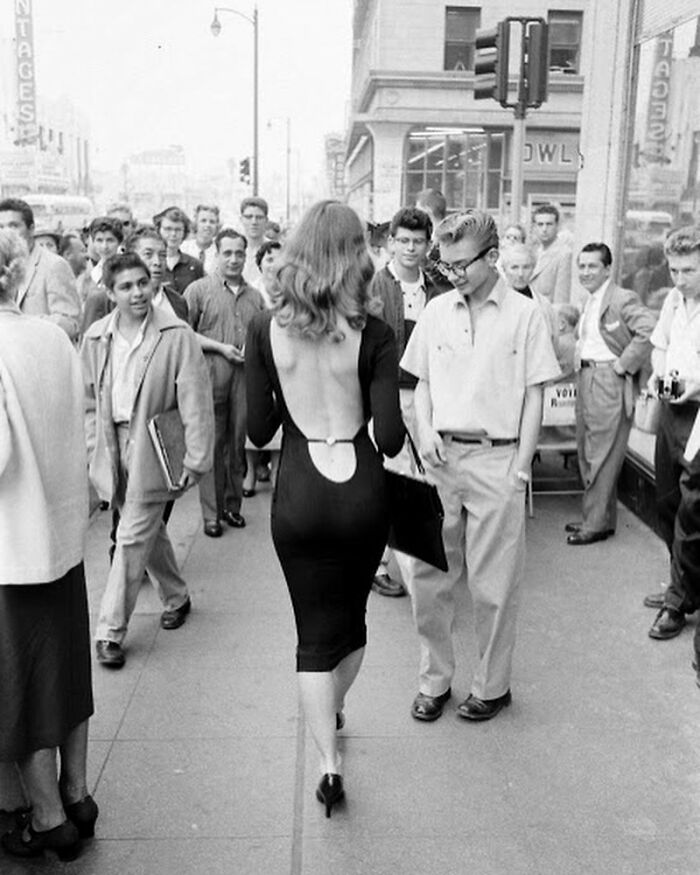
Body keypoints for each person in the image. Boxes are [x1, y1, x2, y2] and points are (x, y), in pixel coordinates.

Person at [246, 201, 404, 816]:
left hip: (300, 491)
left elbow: (259, 429)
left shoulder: (265, 327)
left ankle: (328, 763)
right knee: (353, 622)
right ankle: (335, 705)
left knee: (312, 635)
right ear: (357, 257)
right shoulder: (377, 331)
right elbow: (388, 438)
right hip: (360, 488)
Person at [401, 209, 560, 723]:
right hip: (440, 460)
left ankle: (492, 686)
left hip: (498, 460)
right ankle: (435, 680)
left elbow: (536, 395)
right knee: (428, 579)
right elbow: (420, 383)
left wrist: (520, 468)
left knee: (493, 586)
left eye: (461, 265)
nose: (452, 275)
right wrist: (423, 434)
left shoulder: (525, 314)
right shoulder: (436, 311)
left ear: (492, 257)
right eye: (444, 266)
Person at [0, 228, 96, 861]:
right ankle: (78, 793)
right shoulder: (51, 337)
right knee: (67, 673)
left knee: (22, 686)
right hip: (62, 536)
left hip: (12, 548)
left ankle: (46, 814)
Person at [80, 253, 214, 669]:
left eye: (142, 283)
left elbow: (195, 398)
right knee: (146, 529)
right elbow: (86, 399)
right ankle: (176, 595)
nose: (138, 292)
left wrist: (197, 457)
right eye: (126, 286)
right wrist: (91, 446)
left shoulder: (176, 334)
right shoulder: (96, 337)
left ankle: (109, 630)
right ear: (110, 292)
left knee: (132, 533)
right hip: (110, 441)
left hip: (152, 445)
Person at [370, 205, 441, 597]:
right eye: (403, 241)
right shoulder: (374, 287)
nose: (410, 248)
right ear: (391, 242)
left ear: (428, 245)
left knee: (426, 474)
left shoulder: (436, 288)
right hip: (387, 395)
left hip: (428, 394)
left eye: (418, 242)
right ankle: (381, 564)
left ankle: (419, 564)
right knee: (391, 477)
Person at [567, 243, 654, 546]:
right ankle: (599, 518)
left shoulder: (621, 297)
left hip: (607, 378)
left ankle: (594, 524)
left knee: (601, 454)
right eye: (582, 266)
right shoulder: (591, 299)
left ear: (607, 269)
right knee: (589, 450)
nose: (586, 272)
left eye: (593, 266)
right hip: (587, 376)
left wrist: (623, 364)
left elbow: (648, 330)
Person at [185, 229, 265, 536]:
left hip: (244, 379)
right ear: (216, 254)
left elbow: (262, 334)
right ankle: (211, 514)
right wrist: (219, 347)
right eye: (227, 253)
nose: (233, 259)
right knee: (213, 445)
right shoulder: (198, 290)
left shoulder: (255, 297)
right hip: (210, 375)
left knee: (236, 443)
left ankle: (232, 507)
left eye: (239, 253)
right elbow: (184, 333)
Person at [644, 227, 700, 646]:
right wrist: (662, 372)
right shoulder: (673, 300)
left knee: (692, 508)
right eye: (675, 269)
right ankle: (681, 582)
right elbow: (659, 344)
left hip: (698, 414)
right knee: (666, 498)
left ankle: (678, 602)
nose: (680, 278)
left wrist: (692, 385)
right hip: (670, 410)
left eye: (690, 270)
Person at [0, 198, 80, 341]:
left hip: (41, 355)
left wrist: (23, 324)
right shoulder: (3, 265)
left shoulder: (54, 265)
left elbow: (71, 324)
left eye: (13, 226)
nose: (7, 233)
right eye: (1, 227)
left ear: (31, 229)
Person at [243, 239, 283, 495]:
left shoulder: (292, 289)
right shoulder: (253, 292)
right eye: (269, 259)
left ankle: (278, 470)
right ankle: (251, 471)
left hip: (281, 360)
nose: (274, 264)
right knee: (255, 412)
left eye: (279, 258)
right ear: (259, 264)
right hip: (256, 359)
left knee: (280, 414)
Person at [500, 241, 560, 355]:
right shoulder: (495, 303)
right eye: (514, 267)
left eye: (526, 267)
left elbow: (553, 345)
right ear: (504, 269)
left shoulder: (544, 305)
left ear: (533, 268)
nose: (520, 274)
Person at [529, 204, 573, 305]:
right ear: (534, 227)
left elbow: (561, 298)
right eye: (540, 224)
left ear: (557, 226)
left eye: (549, 224)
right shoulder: (533, 251)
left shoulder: (564, 254)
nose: (544, 229)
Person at [154, 206, 205, 295]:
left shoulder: (195, 265)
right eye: (168, 229)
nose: (173, 234)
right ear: (159, 230)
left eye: (178, 230)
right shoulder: (151, 262)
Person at [181, 204, 220, 274]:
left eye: (212, 222)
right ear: (196, 223)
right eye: (203, 221)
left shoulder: (220, 250)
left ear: (217, 226)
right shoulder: (184, 248)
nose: (208, 225)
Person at [240, 196, 269, 284]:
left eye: (259, 217)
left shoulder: (275, 250)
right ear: (241, 219)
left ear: (266, 220)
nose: (254, 222)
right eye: (249, 217)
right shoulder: (233, 249)